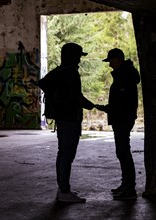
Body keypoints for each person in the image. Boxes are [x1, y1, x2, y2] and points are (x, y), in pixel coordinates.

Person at [38, 43, 95, 203]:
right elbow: (76, 96)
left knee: (62, 154)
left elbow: (43, 83)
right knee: (67, 155)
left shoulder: (59, 71)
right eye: (78, 56)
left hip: (62, 119)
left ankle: (62, 188)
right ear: (72, 56)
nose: (79, 60)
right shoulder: (71, 73)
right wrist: (90, 105)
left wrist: (58, 99)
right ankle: (64, 191)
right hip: (70, 119)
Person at [95, 48, 140, 200]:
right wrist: (107, 108)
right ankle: (126, 185)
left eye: (111, 61)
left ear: (118, 59)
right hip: (121, 118)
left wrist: (107, 108)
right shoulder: (124, 75)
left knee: (123, 153)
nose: (109, 65)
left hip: (123, 119)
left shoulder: (125, 76)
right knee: (122, 152)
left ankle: (130, 189)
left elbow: (122, 103)